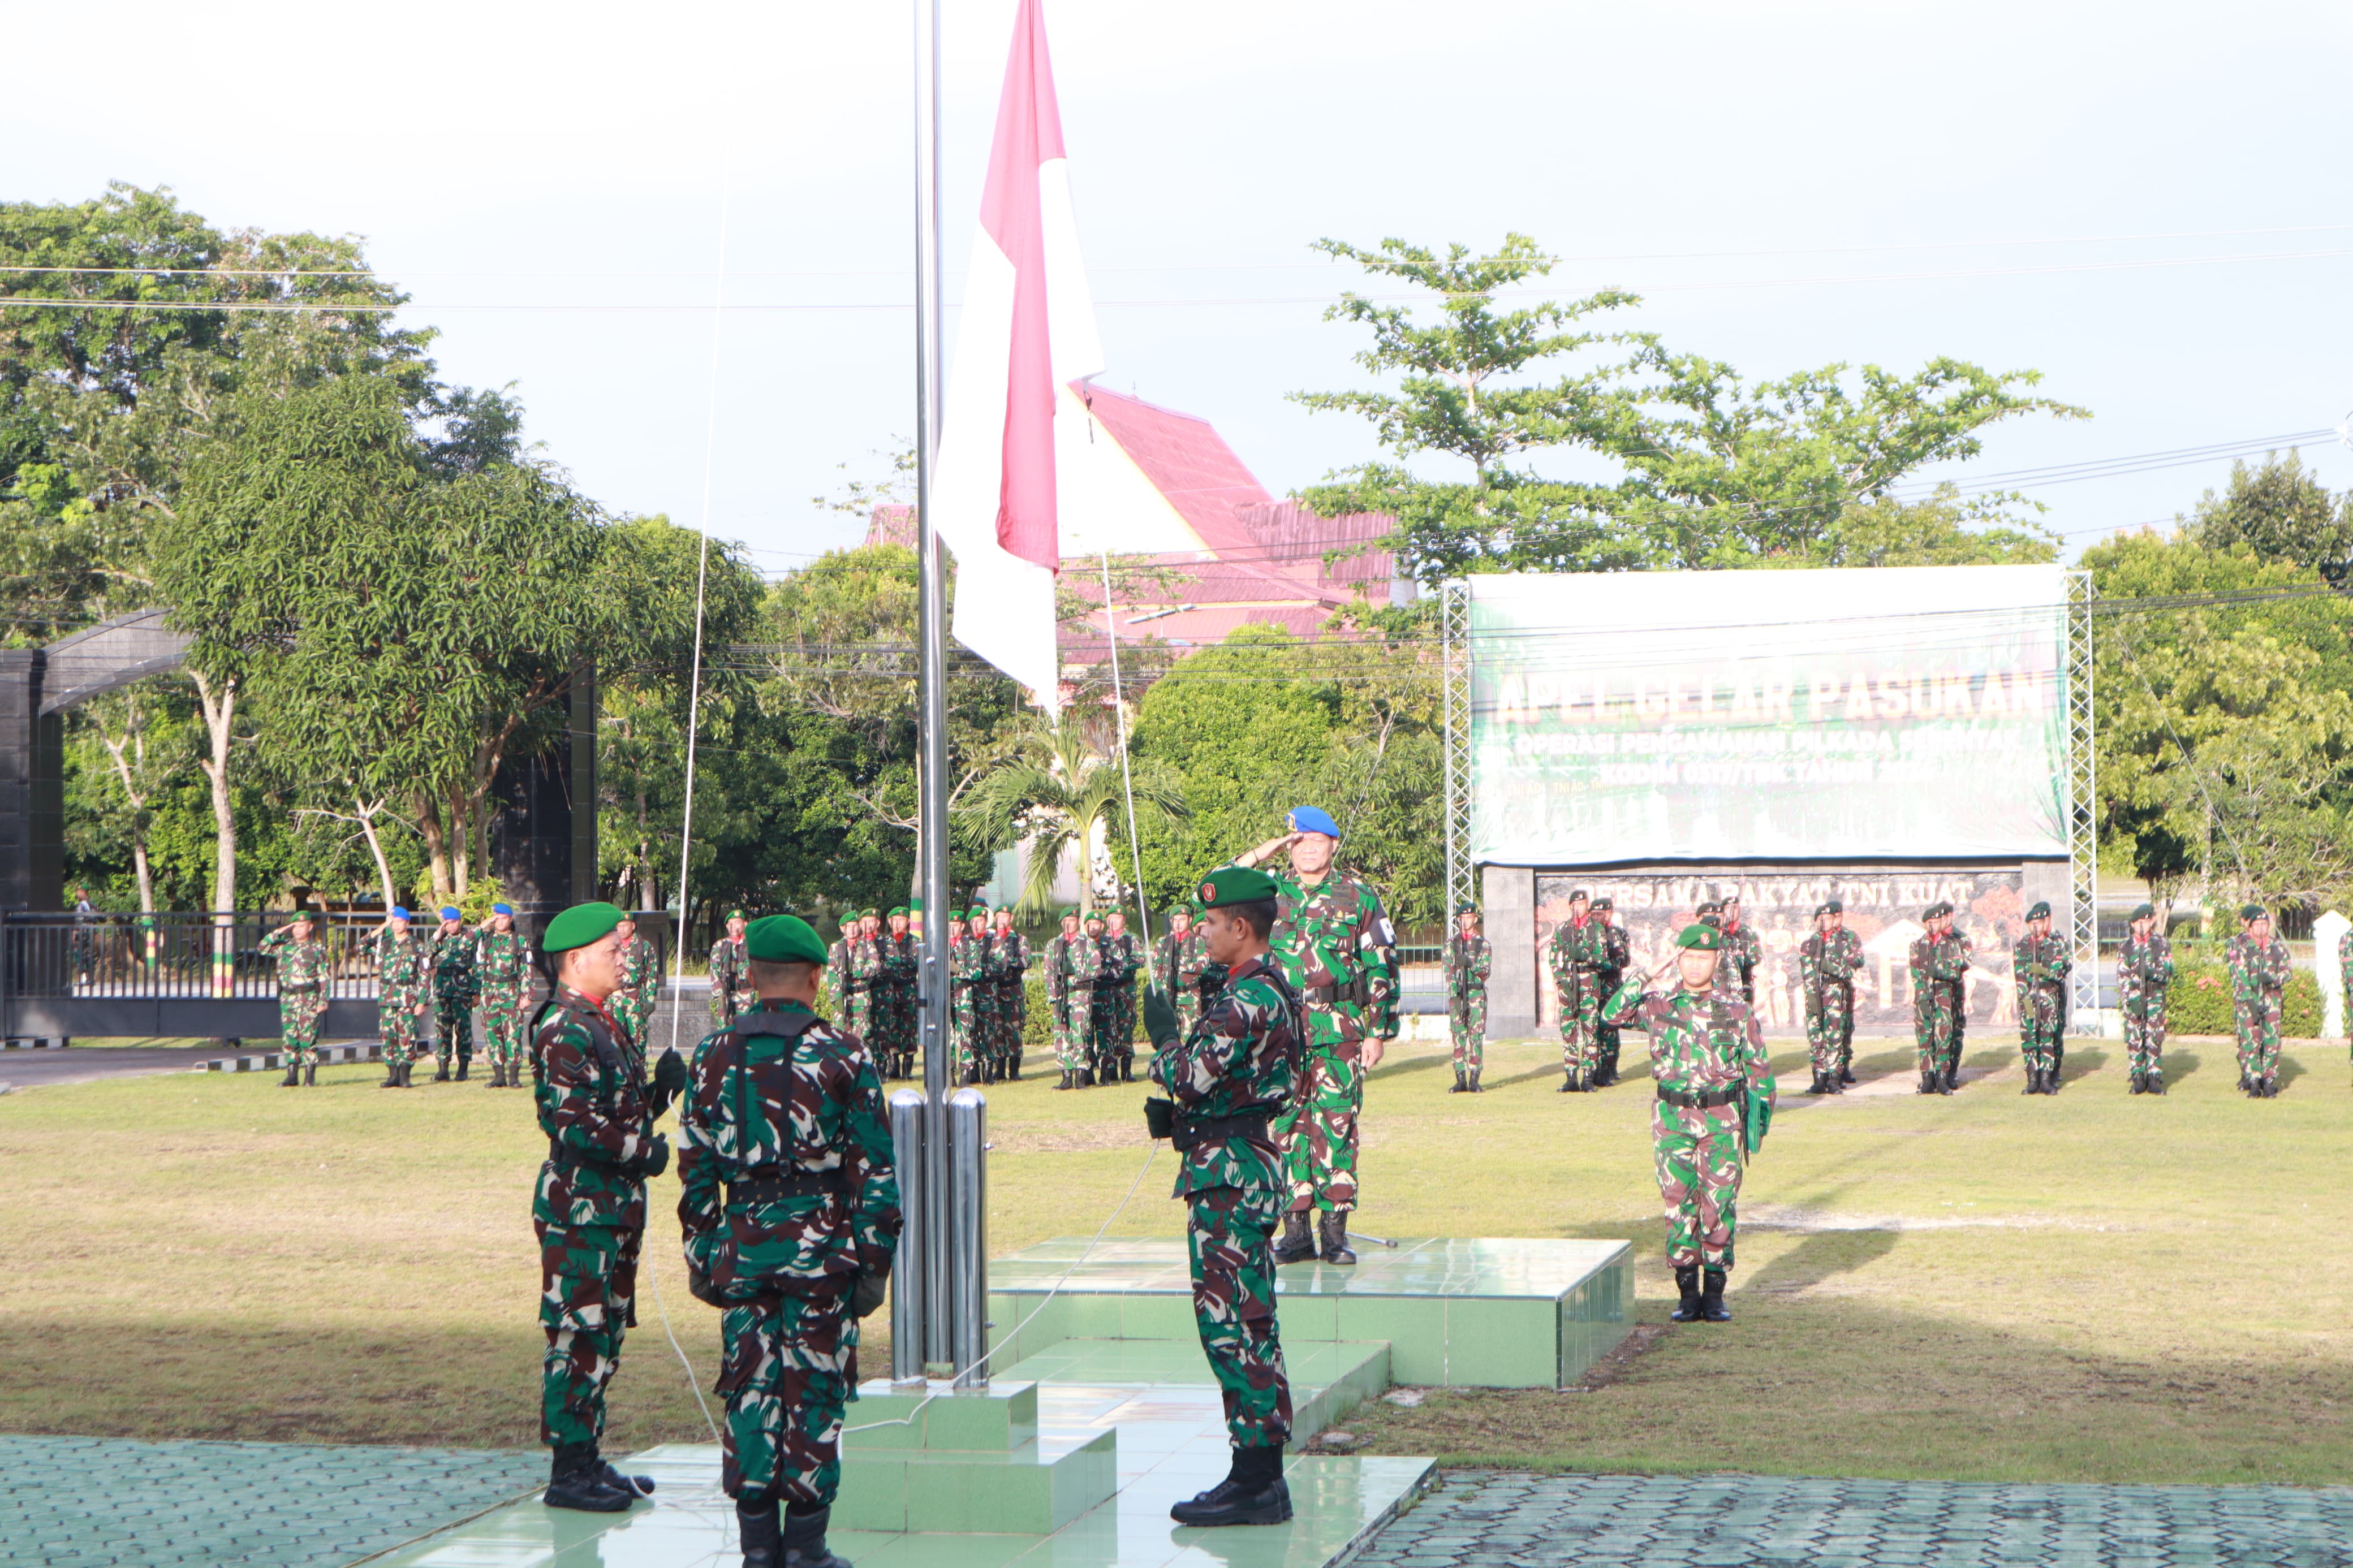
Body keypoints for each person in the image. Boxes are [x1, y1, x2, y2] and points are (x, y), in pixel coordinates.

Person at [677, 913, 900, 1568]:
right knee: (814, 1391)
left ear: (749, 977)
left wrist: (702, 1252)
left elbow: (697, 1169)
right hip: (821, 1254)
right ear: (815, 977)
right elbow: (874, 1170)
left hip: (743, 1249)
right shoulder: (842, 1052)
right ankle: (806, 1547)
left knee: (749, 1389)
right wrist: (873, 1264)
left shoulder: (713, 1053)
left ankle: (756, 1547)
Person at [1140, 865, 1303, 1528]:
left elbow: (1189, 1074)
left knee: (1230, 1325)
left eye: (1210, 924)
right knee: (1249, 1320)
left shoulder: (1248, 999)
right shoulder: (1255, 988)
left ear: (1240, 927)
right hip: (1237, 1161)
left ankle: (1255, 1480)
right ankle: (1257, 1472)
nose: (1202, 933)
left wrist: (1161, 1038)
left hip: (1229, 1175)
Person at [528, 900, 688, 1513]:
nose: (623, 958)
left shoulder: (601, 1021)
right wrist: (640, 1148)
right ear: (575, 959)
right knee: (578, 1334)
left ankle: (588, 1458)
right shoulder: (563, 1027)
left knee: (606, 1333)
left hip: (611, 1206)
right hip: (580, 1208)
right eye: (612, 951)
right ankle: (567, 1472)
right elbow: (572, 1124)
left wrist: (655, 1094)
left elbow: (612, 1111)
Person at [1230, 806, 1398, 1268]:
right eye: (1296, 842)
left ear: (1333, 844)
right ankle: (1296, 1232)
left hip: (1339, 1030)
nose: (1305, 849)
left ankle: (1335, 1234)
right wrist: (1268, 848)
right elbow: (1217, 882)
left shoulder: (1357, 895)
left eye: (1314, 840)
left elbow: (1382, 962)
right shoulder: (1269, 891)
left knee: (1337, 1127)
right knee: (1285, 1130)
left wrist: (1379, 1032)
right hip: (1281, 1032)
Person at [1602, 922, 1774, 1325]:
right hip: (1673, 1120)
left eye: (1704, 957)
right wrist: (1647, 972)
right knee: (1679, 1203)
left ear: (1716, 960)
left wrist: (1759, 1120)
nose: (1696, 964)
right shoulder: (1659, 1005)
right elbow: (1612, 1014)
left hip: (1721, 1119)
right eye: (1689, 956)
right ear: (1678, 958)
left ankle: (1715, 1294)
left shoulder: (1736, 1010)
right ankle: (1687, 1292)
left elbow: (1759, 1068)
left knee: (1719, 1205)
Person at [1798, 901, 1863, 1095]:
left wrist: (1828, 967)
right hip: (1814, 996)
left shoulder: (1843, 942)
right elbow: (1806, 972)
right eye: (1821, 919)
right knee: (1816, 1038)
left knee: (1835, 1037)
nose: (1824, 922)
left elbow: (1850, 969)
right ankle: (1819, 1078)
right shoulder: (1809, 944)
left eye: (1828, 919)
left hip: (1835, 997)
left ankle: (1834, 1079)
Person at [260, 908, 330, 1087]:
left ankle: (309, 1077)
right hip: (288, 998)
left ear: (310, 927)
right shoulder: (284, 947)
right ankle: (291, 1076)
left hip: (308, 997)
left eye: (302, 926)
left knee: (308, 1037)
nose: (298, 930)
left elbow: (324, 977)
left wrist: (323, 1000)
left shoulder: (317, 950)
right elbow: (262, 947)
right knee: (290, 1037)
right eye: (295, 926)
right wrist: (282, 930)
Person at [2227, 904, 2291, 1098]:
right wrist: (2250, 999)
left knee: (2272, 1040)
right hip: (2249, 1001)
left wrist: (2274, 979)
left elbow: (2288, 971)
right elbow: (2237, 975)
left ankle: (2269, 1079)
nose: (2262, 928)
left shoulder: (2277, 946)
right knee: (2251, 1040)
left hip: (2272, 1000)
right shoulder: (2242, 946)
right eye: (2258, 925)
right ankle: (2253, 1078)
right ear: (2250, 927)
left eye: (2265, 924)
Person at [1546, 890, 1606, 1093]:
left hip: (1588, 986)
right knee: (1568, 1032)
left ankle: (1588, 1077)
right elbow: (1553, 956)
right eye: (1576, 904)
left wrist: (1585, 956)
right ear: (1571, 906)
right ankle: (1571, 1077)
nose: (1579, 907)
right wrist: (1560, 978)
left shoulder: (1596, 929)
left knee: (1591, 1031)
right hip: (1568, 988)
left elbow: (1602, 958)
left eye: (1583, 903)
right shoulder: (1563, 929)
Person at [2012, 901, 2071, 1095]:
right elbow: (2019, 974)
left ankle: (2046, 1080)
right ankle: (2032, 1080)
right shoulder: (2021, 946)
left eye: (2039, 922)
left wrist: (2043, 971)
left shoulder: (2053, 945)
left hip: (2049, 998)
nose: (2036, 927)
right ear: (2028, 925)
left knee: (2047, 1036)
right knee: (2030, 1036)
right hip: (2029, 999)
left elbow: (2060, 969)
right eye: (2032, 924)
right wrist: (2024, 999)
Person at [1912, 902, 1970, 1095]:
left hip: (1944, 996)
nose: (1933, 925)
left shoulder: (1952, 944)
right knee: (1925, 1037)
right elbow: (1916, 973)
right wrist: (1922, 995)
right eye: (1929, 922)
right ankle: (1928, 1078)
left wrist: (1938, 972)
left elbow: (1955, 971)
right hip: (1924, 998)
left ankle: (1943, 1077)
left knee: (1944, 1036)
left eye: (1936, 922)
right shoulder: (1917, 945)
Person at [477, 903, 535, 1089]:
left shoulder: (519, 941)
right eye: (497, 919)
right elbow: (468, 940)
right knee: (492, 1034)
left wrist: (526, 995)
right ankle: (498, 1076)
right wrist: (485, 924)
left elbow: (527, 970)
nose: (500, 922)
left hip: (511, 992)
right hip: (489, 994)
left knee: (513, 1035)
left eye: (503, 918)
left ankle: (514, 1077)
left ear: (510, 920)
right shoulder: (485, 939)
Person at [2117, 902, 2173, 1095]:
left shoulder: (2161, 944)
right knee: (2135, 1039)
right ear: (2133, 924)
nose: (2143, 925)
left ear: (2153, 921)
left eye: (2147, 921)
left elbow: (2168, 971)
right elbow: (2122, 978)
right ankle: (2138, 1077)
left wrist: (2152, 973)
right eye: (2139, 922)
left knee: (2154, 1039)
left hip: (2155, 998)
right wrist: (2131, 1001)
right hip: (2134, 999)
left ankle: (2154, 1077)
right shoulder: (2126, 947)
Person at [376, 907, 431, 1088]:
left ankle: (405, 1076)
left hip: (407, 998)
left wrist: (422, 1001)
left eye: (399, 921)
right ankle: (393, 1076)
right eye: (393, 921)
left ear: (407, 923)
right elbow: (359, 947)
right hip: (387, 998)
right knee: (388, 1036)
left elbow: (424, 975)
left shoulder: (417, 945)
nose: (396, 925)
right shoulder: (385, 943)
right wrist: (379, 929)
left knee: (407, 1036)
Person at [430, 905, 481, 1082]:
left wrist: (476, 992)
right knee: (442, 1030)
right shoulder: (440, 938)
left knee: (463, 1030)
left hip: (462, 990)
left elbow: (478, 965)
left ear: (460, 921)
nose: (451, 926)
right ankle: (443, 1068)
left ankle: (463, 1068)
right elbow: (426, 957)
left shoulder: (469, 937)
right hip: (442, 991)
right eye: (448, 923)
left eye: (454, 922)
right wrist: (436, 938)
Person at [1444, 905, 1492, 1093]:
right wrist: (1454, 995)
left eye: (1469, 917)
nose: (1465, 921)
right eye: (1461, 917)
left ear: (1475, 919)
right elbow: (1448, 972)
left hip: (1476, 995)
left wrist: (1471, 964)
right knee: (1458, 1037)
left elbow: (1485, 972)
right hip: (1458, 995)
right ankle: (1460, 1079)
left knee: (1476, 1037)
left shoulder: (1483, 944)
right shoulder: (1452, 944)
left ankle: (1475, 1079)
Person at [1046, 908, 1088, 1090]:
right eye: (1065, 921)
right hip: (1060, 995)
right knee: (1061, 1034)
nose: (1069, 924)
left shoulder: (1086, 943)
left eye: (1072, 920)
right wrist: (1053, 995)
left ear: (1078, 921)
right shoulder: (1054, 944)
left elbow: (1096, 968)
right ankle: (1066, 1076)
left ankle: (1080, 1076)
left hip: (1079, 994)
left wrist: (1075, 974)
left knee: (1079, 1034)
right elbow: (1048, 972)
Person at [876, 907, 919, 1080]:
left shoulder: (914, 941)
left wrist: (896, 961)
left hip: (908, 990)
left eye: (901, 920)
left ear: (908, 921)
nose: (897, 923)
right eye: (894, 920)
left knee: (909, 1028)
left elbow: (915, 963)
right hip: (890, 990)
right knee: (891, 1027)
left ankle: (908, 1067)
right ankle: (893, 1064)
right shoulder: (885, 941)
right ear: (889, 922)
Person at [1592, 897, 1630, 1087]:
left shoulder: (1615, 934)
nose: (1598, 917)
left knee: (1609, 1029)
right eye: (1594, 914)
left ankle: (1608, 1069)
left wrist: (1602, 963)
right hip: (1592, 987)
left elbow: (1623, 961)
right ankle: (1597, 1069)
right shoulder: (1589, 933)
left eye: (1601, 913)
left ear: (1609, 913)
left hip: (1610, 987)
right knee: (1596, 1029)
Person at [991, 905, 1031, 1082]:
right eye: (999, 916)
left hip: (1013, 992)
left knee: (1014, 1031)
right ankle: (999, 1069)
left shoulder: (1020, 939)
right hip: (995, 991)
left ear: (1011, 918)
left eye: (1005, 916)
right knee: (997, 1030)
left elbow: (1026, 961)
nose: (1002, 919)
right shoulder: (990, 939)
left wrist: (1008, 961)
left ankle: (1014, 1071)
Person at [1103, 909, 1143, 1083]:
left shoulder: (1130, 939)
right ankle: (1110, 1068)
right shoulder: (1102, 940)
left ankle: (1126, 1071)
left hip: (1126, 989)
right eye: (1111, 918)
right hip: (1107, 989)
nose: (1114, 922)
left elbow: (1140, 960)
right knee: (1108, 1027)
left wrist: (1120, 964)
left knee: (1126, 1026)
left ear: (1124, 920)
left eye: (1117, 918)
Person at [1153, 906, 1196, 1042]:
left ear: (1190, 920)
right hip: (1169, 996)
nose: (1178, 923)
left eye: (1182, 919)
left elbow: (1204, 966)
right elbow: (1156, 968)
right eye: (1175, 920)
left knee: (1191, 1039)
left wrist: (1181, 964)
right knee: (1169, 1038)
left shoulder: (1198, 941)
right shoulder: (1163, 942)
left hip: (1190, 998)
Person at [708, 910, 752, 1031]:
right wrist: (719, 996)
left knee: (746, 1031)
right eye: (730, 923)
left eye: (737, 922)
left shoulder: (751, 944)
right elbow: (714, 972)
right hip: (725, 995)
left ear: (745, 924)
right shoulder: (720, 946)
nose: (733, 927)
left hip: (745, 994)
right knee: (724, 1032)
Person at [1719, 895, 1762, 1007]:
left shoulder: (1748, 932)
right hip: (1722, 985)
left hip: (1743, 984)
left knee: (1745, 1016)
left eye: (1735, 908)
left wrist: (1740, 958)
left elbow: (1757, 957)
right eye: (1728, 908)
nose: (1731, 912)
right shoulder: (1719, 932)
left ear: (1740, 910)